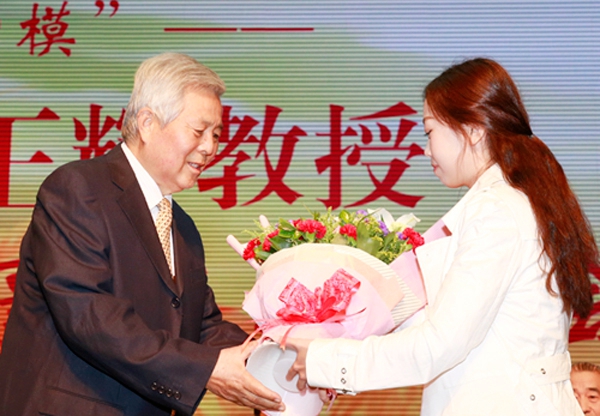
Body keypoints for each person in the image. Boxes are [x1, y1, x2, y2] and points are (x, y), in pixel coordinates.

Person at [284, 57, 598, 415]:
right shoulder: (519, 202)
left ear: (473, 129)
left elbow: (439, 345)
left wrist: (324, 359)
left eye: (429, 131)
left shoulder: (496, 210)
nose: (426, 148)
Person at [0, 52, 284, 415]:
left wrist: (286, 357)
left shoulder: (182, 227)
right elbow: (87, 314)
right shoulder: (78, 189)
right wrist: (206, 369)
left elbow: (203, 328)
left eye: (216, 135)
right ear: (147, 123)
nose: (210, 148)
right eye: (198, 131)